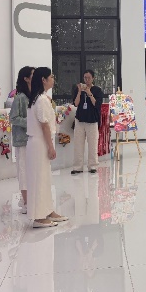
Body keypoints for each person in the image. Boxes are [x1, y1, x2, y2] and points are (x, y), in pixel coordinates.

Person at [26, 68, 68, 228]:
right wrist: (51, 147)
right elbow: (44, 126)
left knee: (44, 179)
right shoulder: (41, 100)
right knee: (39, 180)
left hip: (39, 142)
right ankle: (38, 217)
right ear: (43, 80)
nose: (53, 79)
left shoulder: (40, 98)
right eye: (51, 77)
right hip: (39, 143)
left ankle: (48, 210)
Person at [10, 66, 34, 214]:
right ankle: (26, 202)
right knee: (24, 171)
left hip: (33, 139)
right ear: (26, 78)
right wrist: (30, 122)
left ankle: (31, 199)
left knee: (32, 171)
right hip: (22, 140)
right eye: (32, 75)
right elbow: (13, 118)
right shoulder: (20, 97)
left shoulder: (34, 96)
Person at [71, 70, 104, 175]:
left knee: (93, 144)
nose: (87, 80)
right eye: (85, 78)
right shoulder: (78, 89)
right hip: (80, 120)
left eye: (89, 78)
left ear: (93, 78)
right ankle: (78, 167)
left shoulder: (97, 90)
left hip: (92, 120)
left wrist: (89, 93)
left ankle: (92, 166)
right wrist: (79, 92)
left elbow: (97, 105)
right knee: (78, 144)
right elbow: (76, 104)